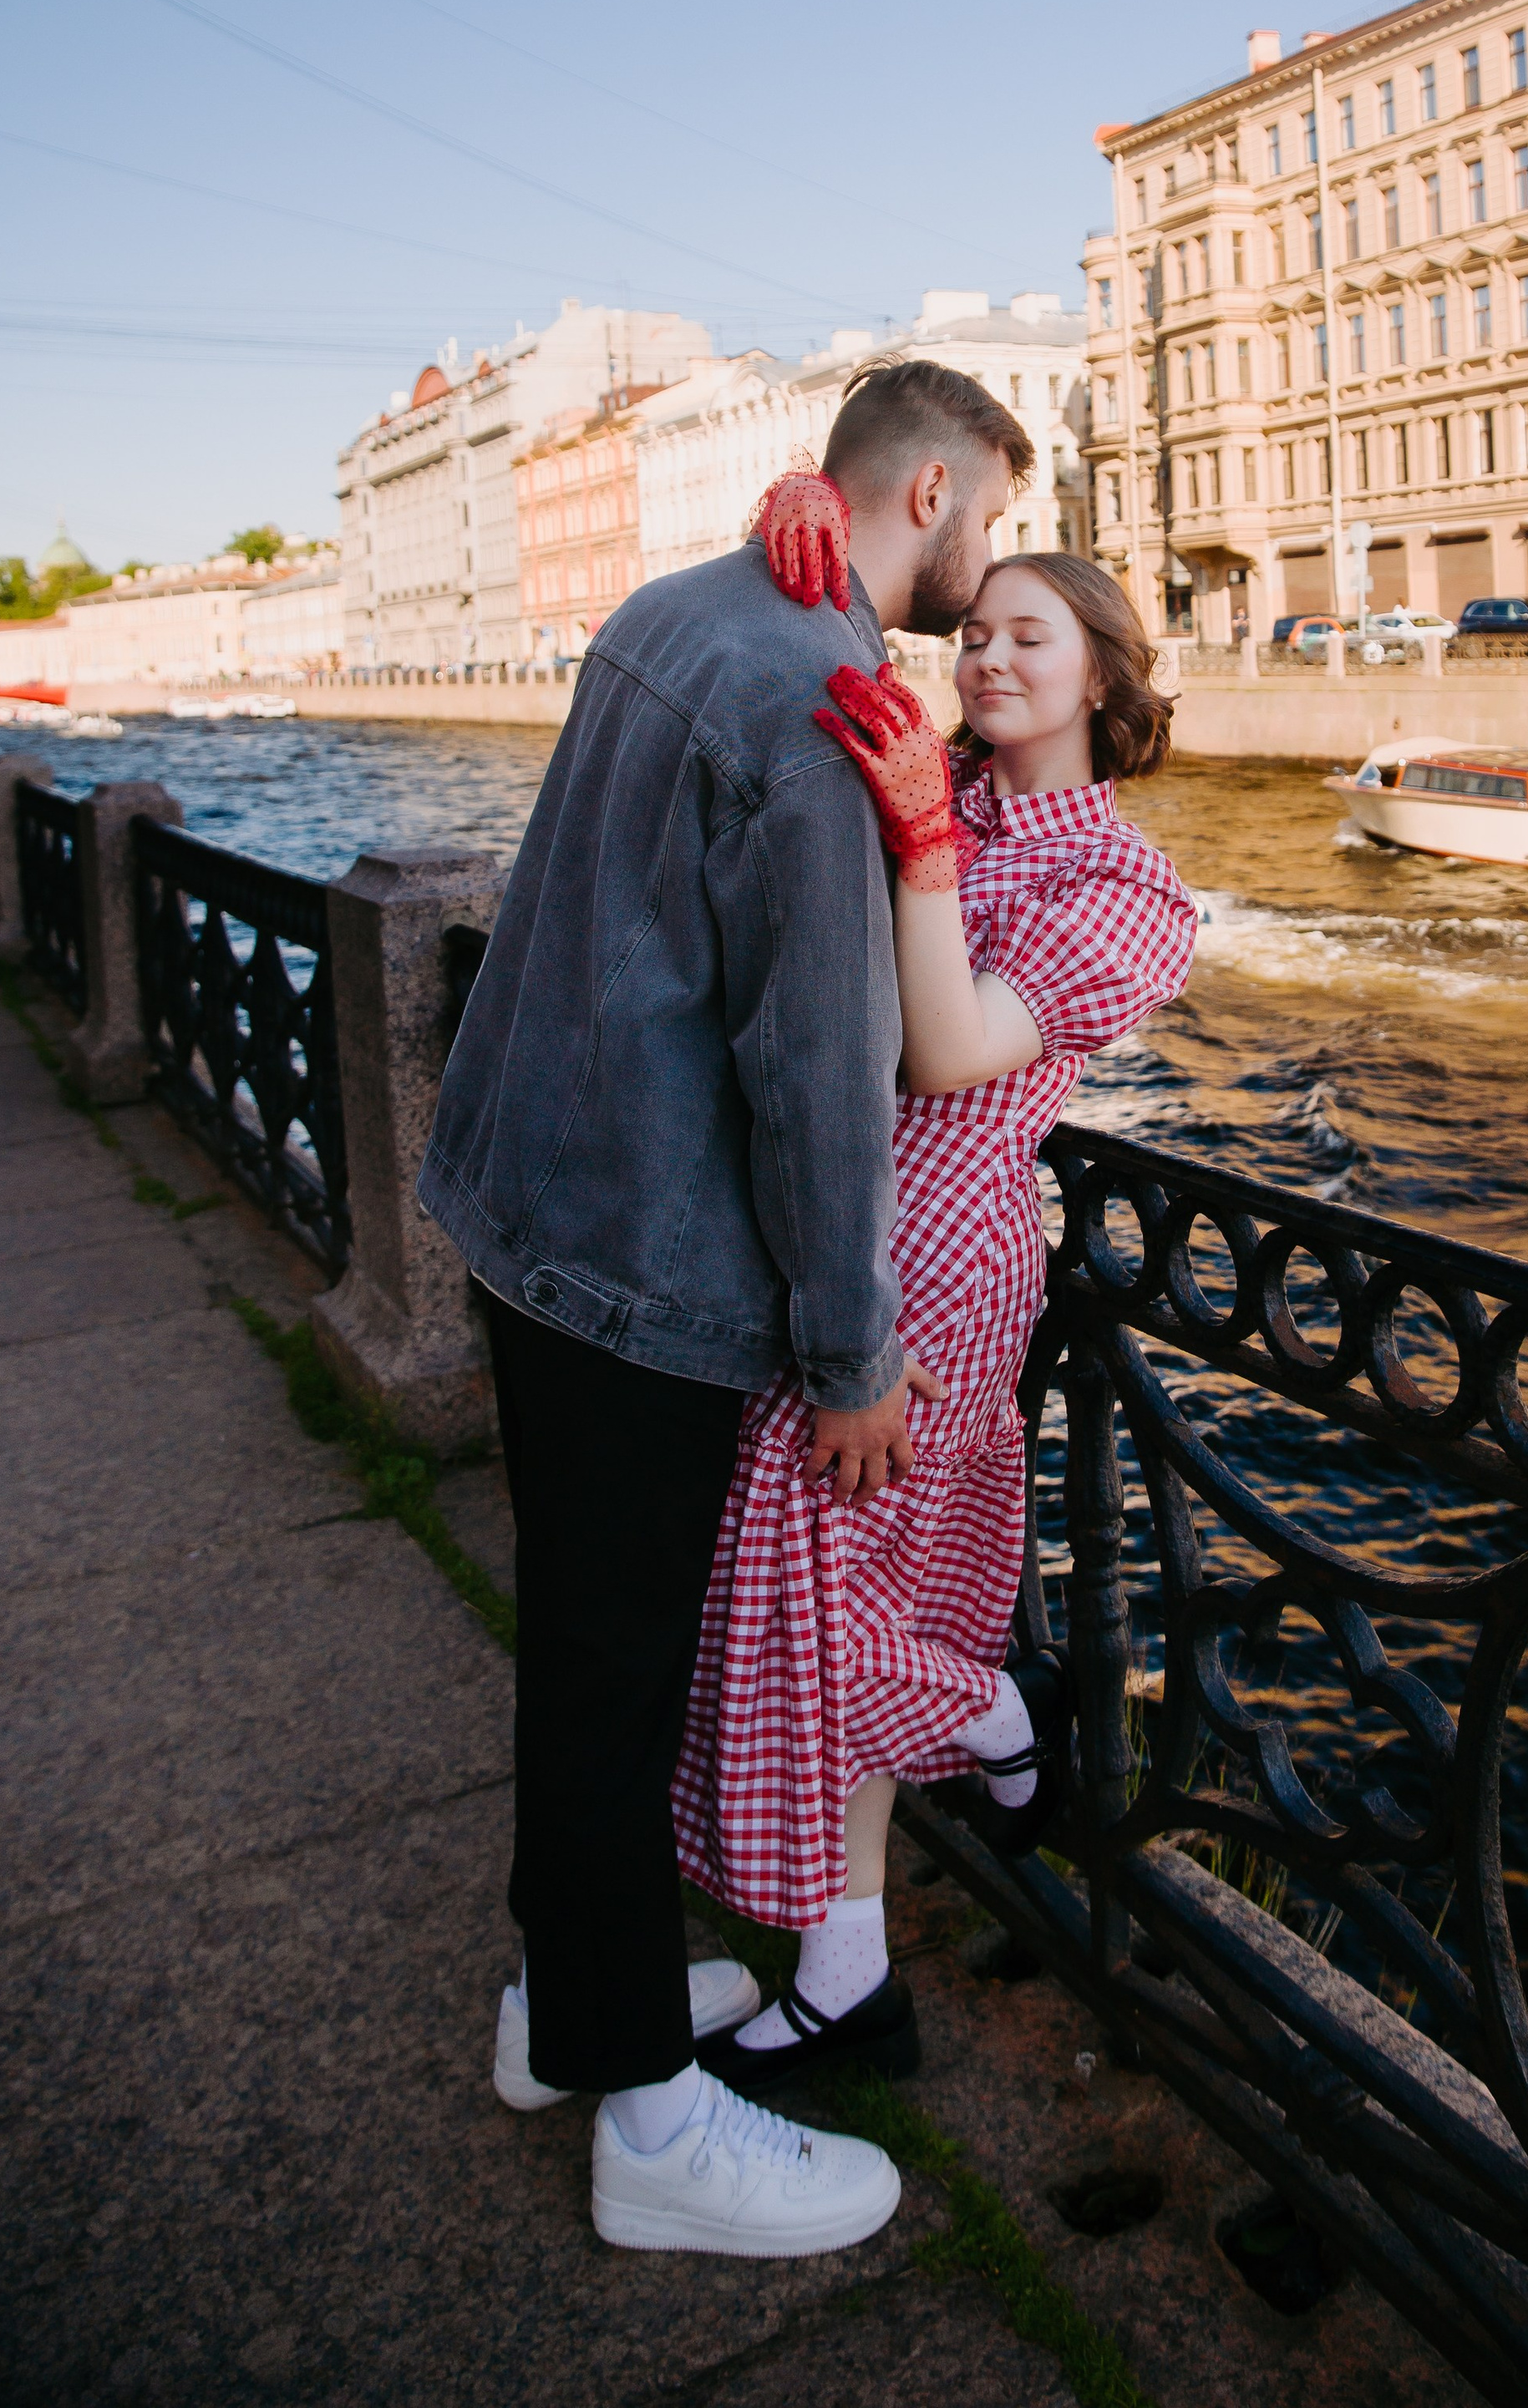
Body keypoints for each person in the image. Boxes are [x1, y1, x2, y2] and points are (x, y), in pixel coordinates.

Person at [417, 357, 1030, 2257]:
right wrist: (851, 1355)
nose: (985, 557)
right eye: (990, 520)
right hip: (638, 1263)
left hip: (527, 1202)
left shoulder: (678, 609)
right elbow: (821, 1063)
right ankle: (650, 2127)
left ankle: (564, 2006)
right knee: (614, 1682)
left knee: (582, 1657)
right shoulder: (813, 693)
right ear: (924, 492)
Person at [670, 535, 1198, 2096]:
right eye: (972, 632)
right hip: (827, 1230)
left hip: (940, 1262)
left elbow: (951, 1056)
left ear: (1101, 675)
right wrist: (790, 528)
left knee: (784, 1591)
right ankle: (849, 1982)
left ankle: (991, 1707)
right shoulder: (931, 784)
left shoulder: (1127, 890)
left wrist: (917, 848)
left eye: (1030, 637)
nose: (986, 659)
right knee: (837, 1582)